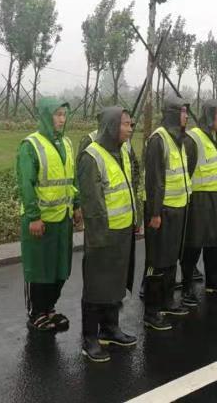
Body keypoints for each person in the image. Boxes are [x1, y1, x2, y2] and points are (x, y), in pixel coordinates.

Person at [77, 107, 139, 362]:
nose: (130, 128)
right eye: (125, 124)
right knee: (96, 285)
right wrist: (100, 238)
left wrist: (136, 216)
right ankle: (90, 338)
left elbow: (131, 183)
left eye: (130, 124)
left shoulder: (123, 149)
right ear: (112, 126)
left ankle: (111, 329)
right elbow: (92, 202)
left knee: (115, 282)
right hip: (104, 233)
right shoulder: (92, 156)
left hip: (123, 229)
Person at [17, 98, 81, 333]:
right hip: (41, 221)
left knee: (59, 268)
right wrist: (34, 216)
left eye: (64, 114)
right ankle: (37, 313)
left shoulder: (66, 143)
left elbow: (71, 179)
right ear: (45, 116)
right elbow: (26, 184)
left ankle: (49, 308)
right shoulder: (30, 145)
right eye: (57, 115)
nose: (61, 119)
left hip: (62, 218)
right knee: (40, 269)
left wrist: (76, 205)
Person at [142, 96, 193, 331]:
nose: (186, 116)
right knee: (156, 262)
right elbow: (154, 180)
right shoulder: (158, 140)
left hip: (179, 207)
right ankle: (151, 312)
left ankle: (168, 301)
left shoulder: (179, 139)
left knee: (171, 259)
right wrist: (154, 213)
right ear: (172, 114)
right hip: (161, 212)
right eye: (183, 112)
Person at [181, 99, 217, 306]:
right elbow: (186, 170)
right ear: (209, 115)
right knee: (194, 244)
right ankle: (186, 287)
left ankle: (213, 281)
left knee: (213, 242)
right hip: (199, 199)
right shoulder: (193, 138)